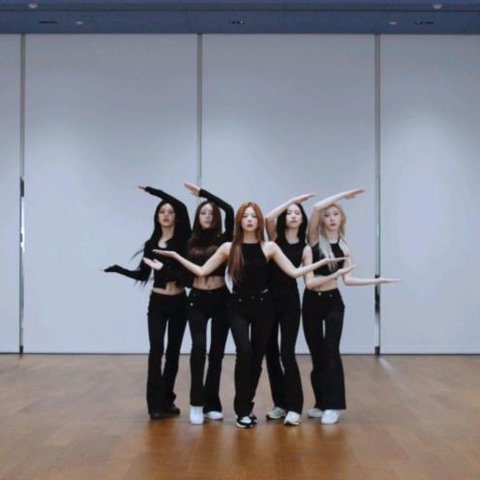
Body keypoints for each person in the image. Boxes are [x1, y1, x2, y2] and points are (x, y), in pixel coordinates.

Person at [144, 202, 343, 428]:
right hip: (237, 306)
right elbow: (201, 271)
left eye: (253, 216)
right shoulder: (228, 247)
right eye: (245, 216)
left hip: (263, 306)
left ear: (258, 221)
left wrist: (323, 263)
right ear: (239, 221)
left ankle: (246, 408)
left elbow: (294, 272)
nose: (249, 219)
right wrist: (173, 257)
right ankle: (240, 410)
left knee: (257, 359)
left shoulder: (269, 247)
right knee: (244, 352)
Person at [303, 189, 399, 425]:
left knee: (331, 350)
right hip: (311, 302)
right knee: (317, 354)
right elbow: (315, 208)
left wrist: (376, 281)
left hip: (333, 302)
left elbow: (348, 279)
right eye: (328, 215)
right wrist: (343, 196)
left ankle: (334, 405)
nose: (331, 218)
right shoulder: (313, 240)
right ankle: (321, 403)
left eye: (336, 214)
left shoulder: (344, 246)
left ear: (342, 218)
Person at [104, 186, 191, 420]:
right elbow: (143, 275)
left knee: (173, 353)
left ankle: (167, 400)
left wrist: (155, 192)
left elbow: (182, 206)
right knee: (156, 350)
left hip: (179, 302)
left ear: (176, 216)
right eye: (162, 211)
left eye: (170, 212)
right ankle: (154, 405)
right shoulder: (150, 243)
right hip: (158, 303)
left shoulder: (183, 239)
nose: (166, 215)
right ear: (157, 217)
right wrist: (118, 269)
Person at [182, 182, 234, 425]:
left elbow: (230, 209)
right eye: (203, 212)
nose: (207, 216)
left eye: (212, 213)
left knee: (216, 353)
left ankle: (212, 403)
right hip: (197, 300)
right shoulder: (189, 240)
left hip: (222, 299)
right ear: (197, 216)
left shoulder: (225, 239)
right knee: (198, 348)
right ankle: (196, 403)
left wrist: (204, 194)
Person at [264, 194, 314, 426]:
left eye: (297, 213)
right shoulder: (274, 238)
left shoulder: (305, 248)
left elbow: (308, 279)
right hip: (268, 301)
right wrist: (292, 200)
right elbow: (268, 218)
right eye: (290, 213)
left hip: (290, 303)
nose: (293, 216)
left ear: (302, 219)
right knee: (271, 354)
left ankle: (295, 407)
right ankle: (280, 404)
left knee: (287, 353)